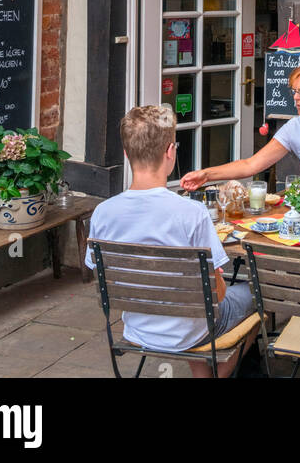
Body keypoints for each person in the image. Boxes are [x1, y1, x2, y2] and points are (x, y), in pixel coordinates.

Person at [85, 104, 256, 378]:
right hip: (191, 332)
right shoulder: (192, 213)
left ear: (127, 154)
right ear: (170, 152)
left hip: (137, 328)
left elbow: (103, 276)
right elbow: (218, 293)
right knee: (258, 292)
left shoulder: (102, 213)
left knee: (191, 301)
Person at [181, 62, 300, 207]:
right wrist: (206, 175)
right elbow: (251, 165)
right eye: (294, 91)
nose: (296, 97)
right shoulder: (294, 128)